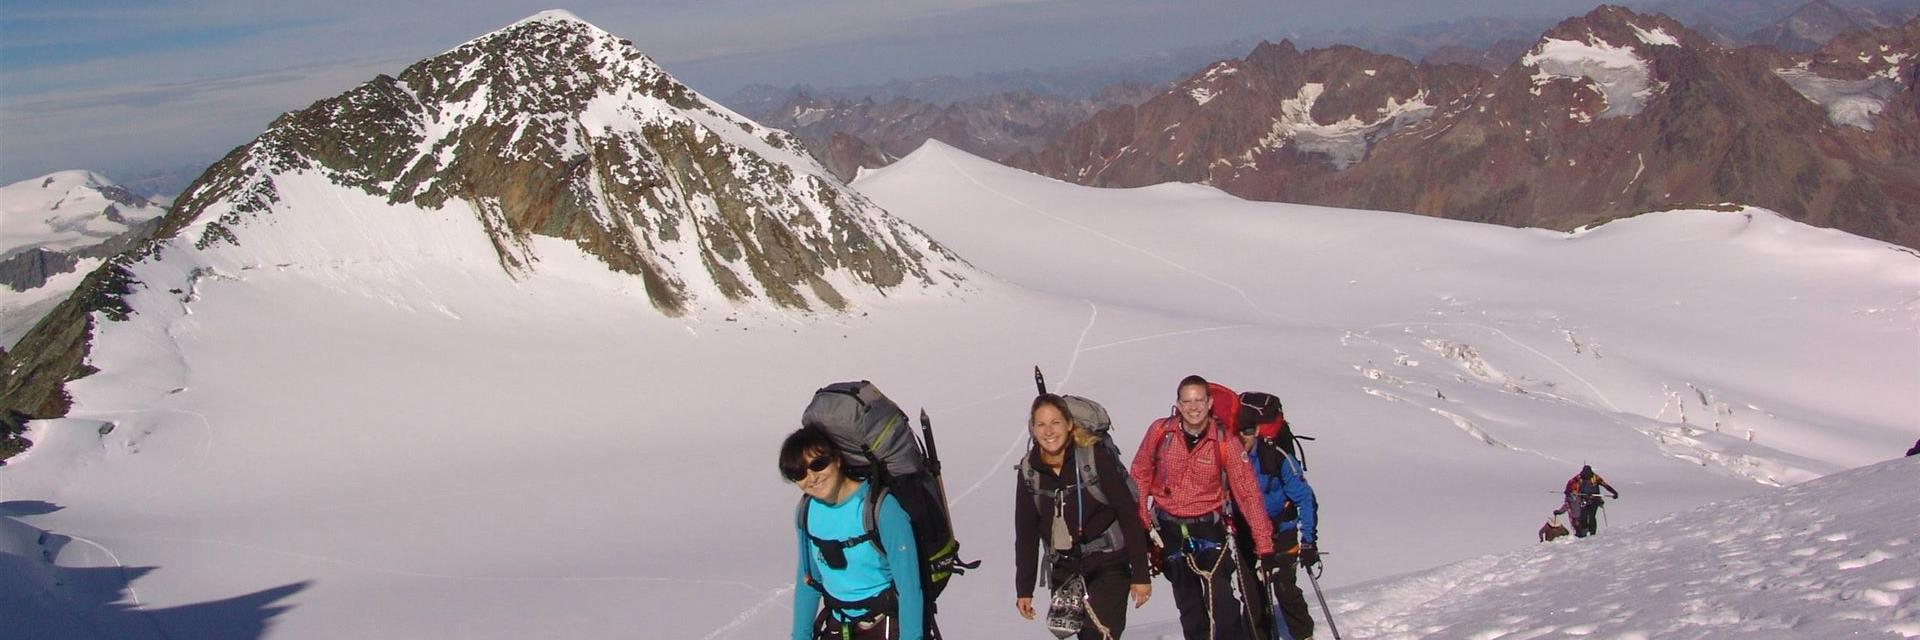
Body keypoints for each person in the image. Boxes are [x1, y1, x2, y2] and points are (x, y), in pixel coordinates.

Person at [1130, 375, 1278, 640]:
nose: (1193, 407)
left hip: (1209, 528)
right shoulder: (1161, 432)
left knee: (1223, 605)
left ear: (1209, 403)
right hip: (1169, 529)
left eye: (1199, 400)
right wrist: (1143, 521)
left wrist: (1264, 546)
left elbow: (1248, 494)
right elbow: (1140, 472)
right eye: (1187, 401)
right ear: (1178, 404)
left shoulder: (1225, 442)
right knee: (1190, 609)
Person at [1015, 394, 1154, 639]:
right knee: (1082, 634)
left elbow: (1127, 514)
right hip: (1065, 568)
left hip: (1109, 561)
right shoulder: (1029, 472)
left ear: (1069, 424)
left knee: (1096, 634)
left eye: (1055, 423)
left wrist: (1141, 574)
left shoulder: (1093, 457)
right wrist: (1024, 589)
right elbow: (1026, 534)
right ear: (1033, 430)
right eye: (1041, 424)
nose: (1049, 431)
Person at [783, 426, 926, 640]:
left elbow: (909, 587)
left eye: (819, 464)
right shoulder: (806, 511)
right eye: (799, 473)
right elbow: (809, 581)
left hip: (885, 624)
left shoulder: (881, 509)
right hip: (839, 623)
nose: (812, 478)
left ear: (837, 459)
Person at [1230, 413, 1319, 640]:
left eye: (1248, 430)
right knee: (1251, 595)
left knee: (1285, 588)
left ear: (1258, 430)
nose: (1243, 436)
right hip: (1246, 535)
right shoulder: (1228, 459)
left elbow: (1304, 498)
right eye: (1238, 431)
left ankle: (1303, 635)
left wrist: (1308, 540)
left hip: (1282, 531)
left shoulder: (1276, 456)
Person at [1562, 465, 1618, 538]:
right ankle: (1584, 532)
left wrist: (1614, 492)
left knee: (1592, 516)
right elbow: (1570, 483)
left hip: (1594, 499)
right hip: (1583, 499)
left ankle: (1592, 533)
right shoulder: (1579, 477)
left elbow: (1605, 485)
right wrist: (1568, 491)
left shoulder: (1595, 477)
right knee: (1583, 516)